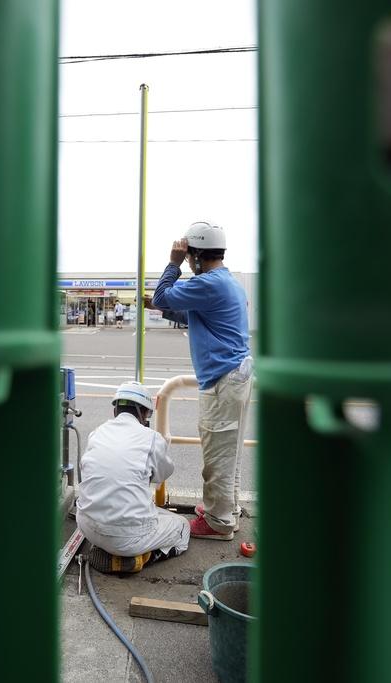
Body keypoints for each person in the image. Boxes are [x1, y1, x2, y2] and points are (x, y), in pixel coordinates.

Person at [147, 221, 252, 541]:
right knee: (227, 453)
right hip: (235, 377)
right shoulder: (224, 282)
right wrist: (161, 306)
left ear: (195, 255)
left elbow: (164, 297)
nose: (187, 260)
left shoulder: (209, 283)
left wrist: (172, 263)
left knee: (217, 455)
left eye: (188, 254)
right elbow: (186, 313)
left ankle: (218, 524)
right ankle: (225, 510)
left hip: (223, 381)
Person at [77, 382, 190, 573]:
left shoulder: (97, 433)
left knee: (152, 512)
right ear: (144, 413)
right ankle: (141, 559)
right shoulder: (151, 438)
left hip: (86, 526)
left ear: (115, 410)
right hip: (126, 538)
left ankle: (108, 549)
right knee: (182, 527)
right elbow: (162, 475)